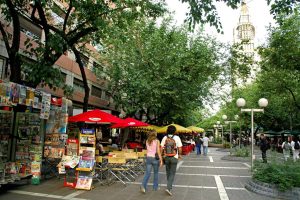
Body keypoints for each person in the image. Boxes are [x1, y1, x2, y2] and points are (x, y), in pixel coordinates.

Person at [161, 125, 183, 196]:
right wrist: (179, 155)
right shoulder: (177, 137)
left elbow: (161, 147)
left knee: (168, 171)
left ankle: (169, 185)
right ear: (174, 131)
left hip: (166, 157)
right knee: (172, 173)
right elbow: (180, 148)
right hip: (174, 157)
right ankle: (168, 187)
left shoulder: (165, 137)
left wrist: (161, 155)